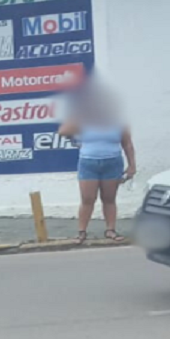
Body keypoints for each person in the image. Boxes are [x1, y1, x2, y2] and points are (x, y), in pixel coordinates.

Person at [58, 82, 136, 244]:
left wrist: (132, 166)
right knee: (87, 199)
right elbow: (63, 131)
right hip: (88, 162)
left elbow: (127, 144)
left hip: (112, 162)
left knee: (109, 198)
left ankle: (110, 230)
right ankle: (81, 232)